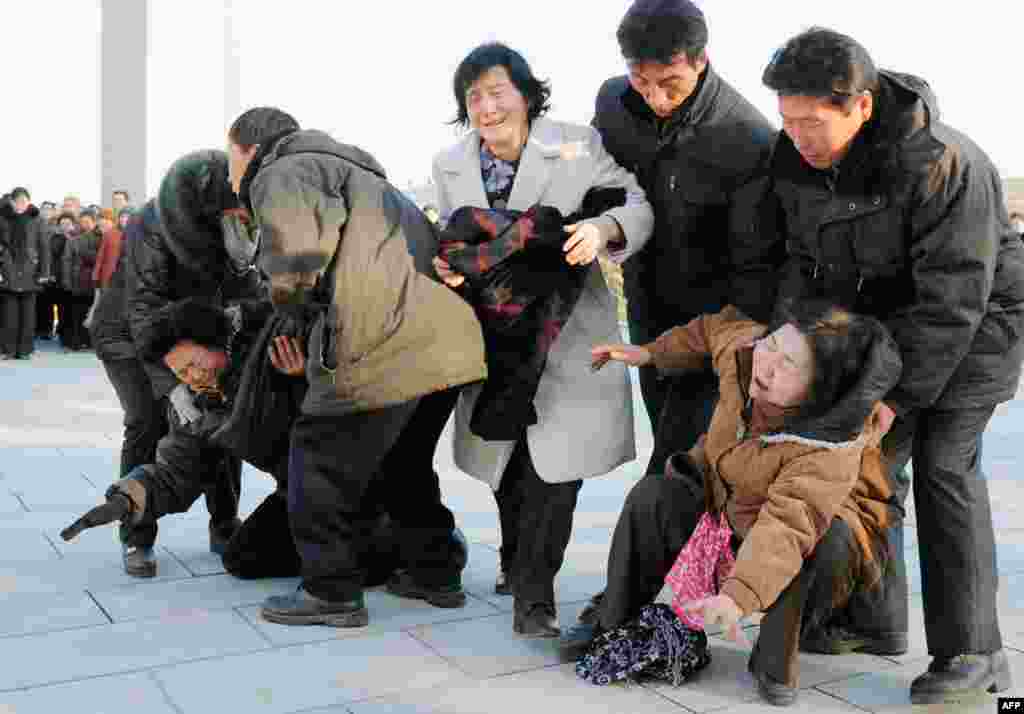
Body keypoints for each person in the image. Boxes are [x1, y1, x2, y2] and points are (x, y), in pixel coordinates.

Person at [749, 28, 1024, 704]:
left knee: (943, 468)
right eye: (788, 121)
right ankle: (872, 621)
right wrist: (797, 348)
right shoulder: (798, 159)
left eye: (812, 122)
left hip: (979, 326)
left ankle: (975, 653)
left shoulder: (944, 164)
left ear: (862, 106)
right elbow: (803, 264)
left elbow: (953, 299)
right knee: (872, 468)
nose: (798, 137)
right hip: (885, 332)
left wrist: (894, 397)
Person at [220, 107, 487, 628]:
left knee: (316, 460)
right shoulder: (369, 180)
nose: (232, 174)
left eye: (231, 157)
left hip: (381, 343)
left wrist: (291, 314)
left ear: (247, 148)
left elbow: (295, 262)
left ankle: (331, 591)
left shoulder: (284, 170)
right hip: (447, 344)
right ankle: (435, 573)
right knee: (405, 465)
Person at [569, 303, 903, 705]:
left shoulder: (827, 451)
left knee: (818, 544)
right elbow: (714, 329)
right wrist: (651, 353)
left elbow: (785, 529)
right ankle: (613, 624)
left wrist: (736, 597)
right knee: (652, 497)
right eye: (772, 344)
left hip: (793, 537)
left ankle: (774, 662)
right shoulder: (747, 353)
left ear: (821, 389)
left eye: (789, 365)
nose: (767, 364)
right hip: (725, 507)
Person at [431, 43, 653, 637]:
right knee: (506, 458)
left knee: (554, 466)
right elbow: (451, 241)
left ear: (527, 94)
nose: (486, 106)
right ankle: (515, 562)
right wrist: (450, 264)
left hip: (567, 327)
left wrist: (602, 229)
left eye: (497, 91)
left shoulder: (576, 144)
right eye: (473, 96)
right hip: (496, 332)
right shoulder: (449, 164)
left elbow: (635, 202)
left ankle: (535, 594)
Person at [591, 0, 777, 476]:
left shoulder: (747, 138)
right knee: (672, 450)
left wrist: (731, 351)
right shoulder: (613, 104)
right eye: (641, 81)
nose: (656, 98)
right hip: (646, 310)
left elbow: (755, 270)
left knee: (678, 467)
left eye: (670, 84)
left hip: (714, 327)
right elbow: (591, 183)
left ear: (700, 59)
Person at [0, 187, 53, 359]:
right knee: (9, 314)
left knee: (28, 315)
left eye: (24, 201)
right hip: (8, 269)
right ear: (12, 202)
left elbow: (44, 247)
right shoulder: (3, 218)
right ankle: (8, 350)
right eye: (18, 201)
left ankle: (25, 350)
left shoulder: (37, 219)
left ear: (29, 202)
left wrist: (44, 272)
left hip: (31, 270)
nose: (21, 205)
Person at [60, 208, 101, 351]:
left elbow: (101, 259)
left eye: (88, 222)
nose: (85, 224)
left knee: (93, 312)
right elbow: (66, 260)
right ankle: (77, 341)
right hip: (77, 280)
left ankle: (91, 341)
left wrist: (86, 253)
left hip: (94, 281)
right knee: (76, 313)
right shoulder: (73, 238)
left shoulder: (101, 237)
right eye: (82, 222)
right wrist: (66, 280)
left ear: (94, 222)